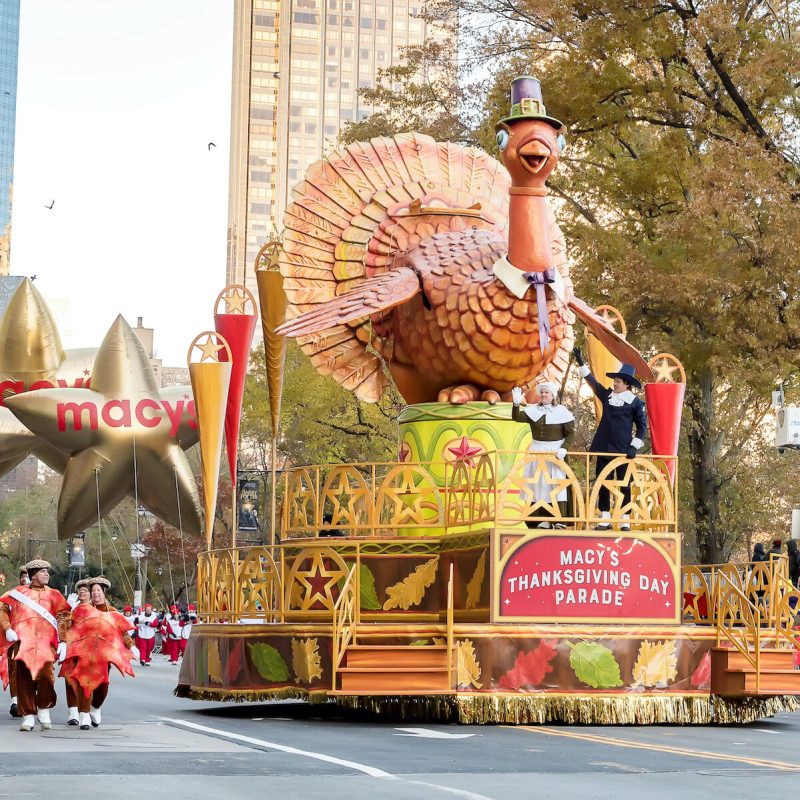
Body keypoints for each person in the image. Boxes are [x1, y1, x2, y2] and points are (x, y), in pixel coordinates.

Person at [574, 349, 648, 530]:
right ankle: (605, 517)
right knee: (602, 481)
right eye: (614, 381)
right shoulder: (607, 396)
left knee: (624, 484)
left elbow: (642, 427)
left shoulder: (636, 403)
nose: (615, 383)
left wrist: (634, 446)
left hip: (624, 450)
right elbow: (594, 384)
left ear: (627, 385)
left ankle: (624, 519)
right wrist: (582, 364)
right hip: (603, 447)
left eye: (618, 381)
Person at [0, 559, 70, 731]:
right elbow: (3, 609)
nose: (46, 574)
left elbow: (63, 616)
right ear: (33, 575)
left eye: (47, 571)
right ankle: (28, 715)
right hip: (23, 643)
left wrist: (63, 640)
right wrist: (7, 628)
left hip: (46, 644)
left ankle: (44, 708)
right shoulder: (18, 593)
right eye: (42, 571)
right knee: (24, 678)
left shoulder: (54, 594)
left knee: (46, 675)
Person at [60, 576, 138, 730]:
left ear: (104, 592)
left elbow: (122, 632)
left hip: (104, 655)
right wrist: (64, 641)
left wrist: (131, 646)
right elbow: (68, 624)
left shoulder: (113, 612)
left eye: (98, 590)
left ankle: (95, 707)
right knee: (85, 683)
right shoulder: (82, 610)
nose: (95, 593)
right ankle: (84, 715)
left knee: (102, 686)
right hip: (85, 653)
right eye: (93, 590)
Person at [510, 381, 575, 528]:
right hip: (537, 452)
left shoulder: (562, 411)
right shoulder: (534, 410)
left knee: (557, 486)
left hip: (555, 453)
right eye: (542, 392)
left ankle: (560, 520)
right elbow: (516, 417)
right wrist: (515, 404)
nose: (544, 395)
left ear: (553, 396)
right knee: (539, 486)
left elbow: (570, 433)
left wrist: (564, 448)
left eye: (547, 392)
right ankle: (542, 520)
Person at [64, 583, 91, 726]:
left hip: (88, 650)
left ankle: (84, 713)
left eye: (86, 590)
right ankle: (72, 712)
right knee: (70, 680)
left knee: (86, 681)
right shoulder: (72, 607)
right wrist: (68, 608)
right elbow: (63, 625)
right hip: (71, 648)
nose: (82, 593)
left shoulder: (94, 608)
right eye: (80, 590)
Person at [5, 566, 30, 719]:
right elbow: (4, 612)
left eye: (27, 576)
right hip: (15, 638)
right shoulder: (12, 594)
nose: (24, 578)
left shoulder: (40, 594)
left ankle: (29, 700)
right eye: (22, 576)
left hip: (33, 638)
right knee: (14, 669)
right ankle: (15, 701)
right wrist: (7, 629)